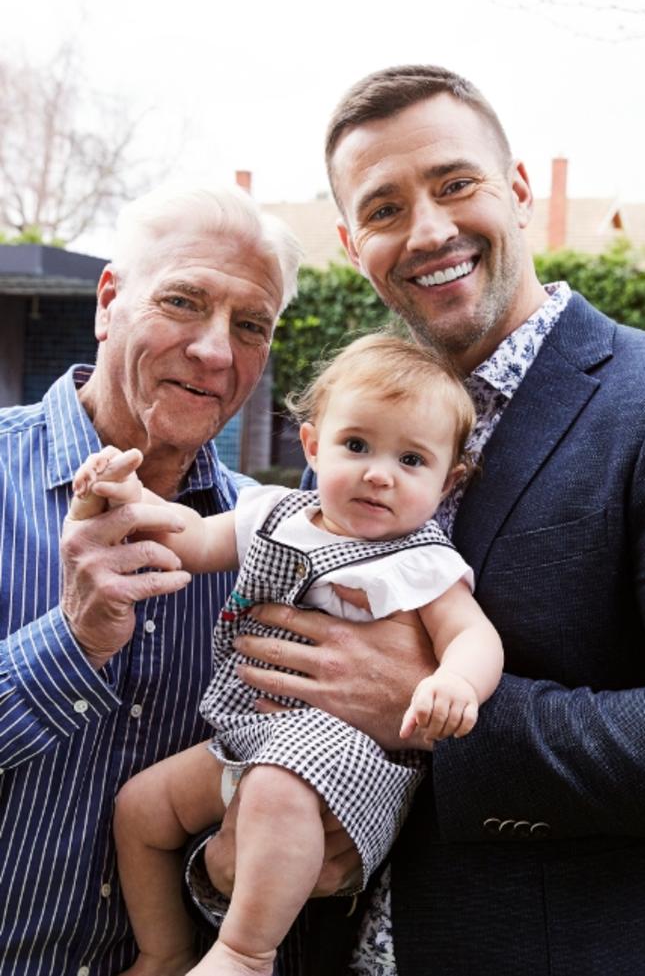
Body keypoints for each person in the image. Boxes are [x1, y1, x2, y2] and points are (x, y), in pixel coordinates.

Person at [197, 66, 645, 975]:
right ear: (351, 242)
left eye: (455, 184)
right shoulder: (372, 417)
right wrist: (229, 860)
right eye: (384, 208)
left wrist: (434, 713)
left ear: (517, 191)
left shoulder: (639, 399)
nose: (430, 230)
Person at [69, 331, 503, 976]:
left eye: (412, 460)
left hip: (344, 759)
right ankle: (163, 951)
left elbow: (474, 636)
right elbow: (187, 536)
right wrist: (130, 498)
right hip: (248, 732)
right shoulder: (275, 513)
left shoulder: (423, 562)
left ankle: (246, 953)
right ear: (312, 445)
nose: (378, 473)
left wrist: (457, 684)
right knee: (139, 807)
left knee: (276, 789)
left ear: (448, 483)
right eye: (356, 445)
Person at [0, 183, 303, 975]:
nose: (214, 351)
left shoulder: (270, 544)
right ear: (108, 301)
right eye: (183, 301)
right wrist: (70, 641)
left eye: (250, 327)